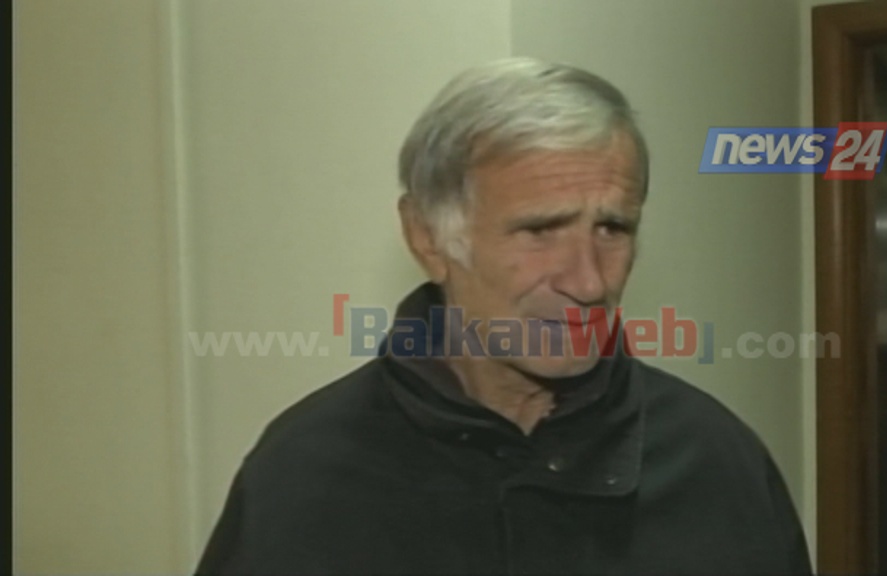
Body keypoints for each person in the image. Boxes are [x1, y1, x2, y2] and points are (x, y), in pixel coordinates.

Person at [196, 57, 812, 575]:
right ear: (429, 238)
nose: (589, 281)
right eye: (540, 230)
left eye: (612, 228)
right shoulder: (304, 476)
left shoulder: (719, 463)